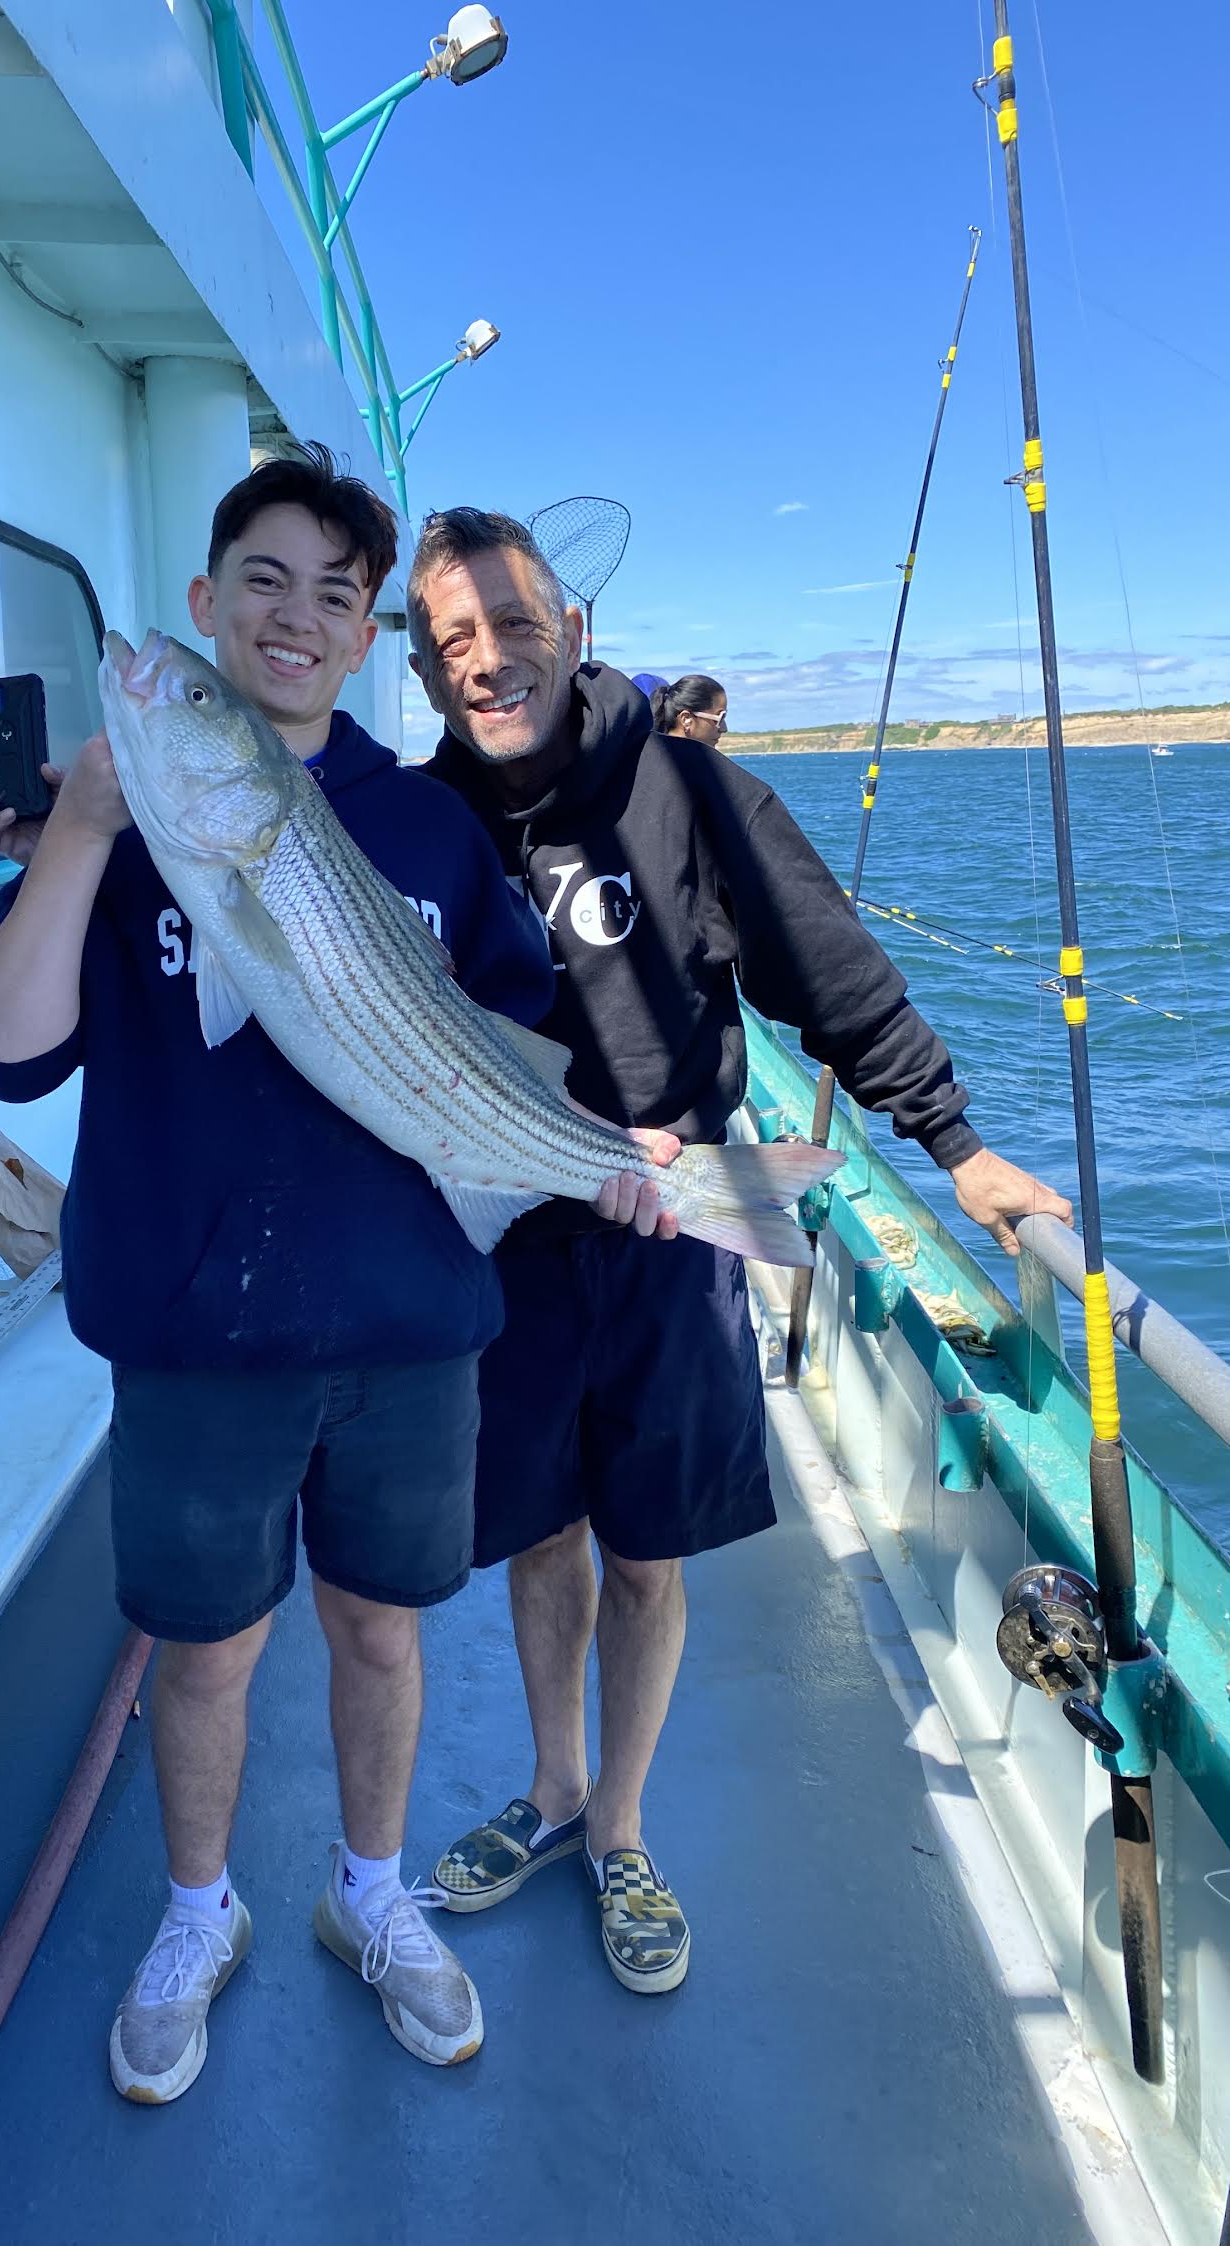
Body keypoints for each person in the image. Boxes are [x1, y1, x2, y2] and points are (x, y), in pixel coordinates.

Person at [0, 449, 666, 2105]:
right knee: (201, 1655)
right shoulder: (128, 809)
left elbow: (519, 1037)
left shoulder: (422, 822)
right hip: (195, 1336)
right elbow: (7, 1058)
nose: (292, 616)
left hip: (414, 1331)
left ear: (363, 642)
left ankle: (369, 1894)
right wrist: (72, 829)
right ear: (209, 607)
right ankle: (197, 1915)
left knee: (381, 1633)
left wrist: (617, 1166)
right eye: (258, 581)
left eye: (333, 596)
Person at [405, 507, 1072, 1996]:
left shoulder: (689, 789)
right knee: (536, 1532)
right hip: (504, 1237)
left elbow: (826, 972)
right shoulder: (420, 818)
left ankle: (623, 1825)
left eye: (512, 624)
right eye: (451, 638)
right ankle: (554, 1785)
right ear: (424, 664)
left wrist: (953, 1144)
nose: (487, 660)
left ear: (569, 628)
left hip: (683, 1221)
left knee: (645, 1548)